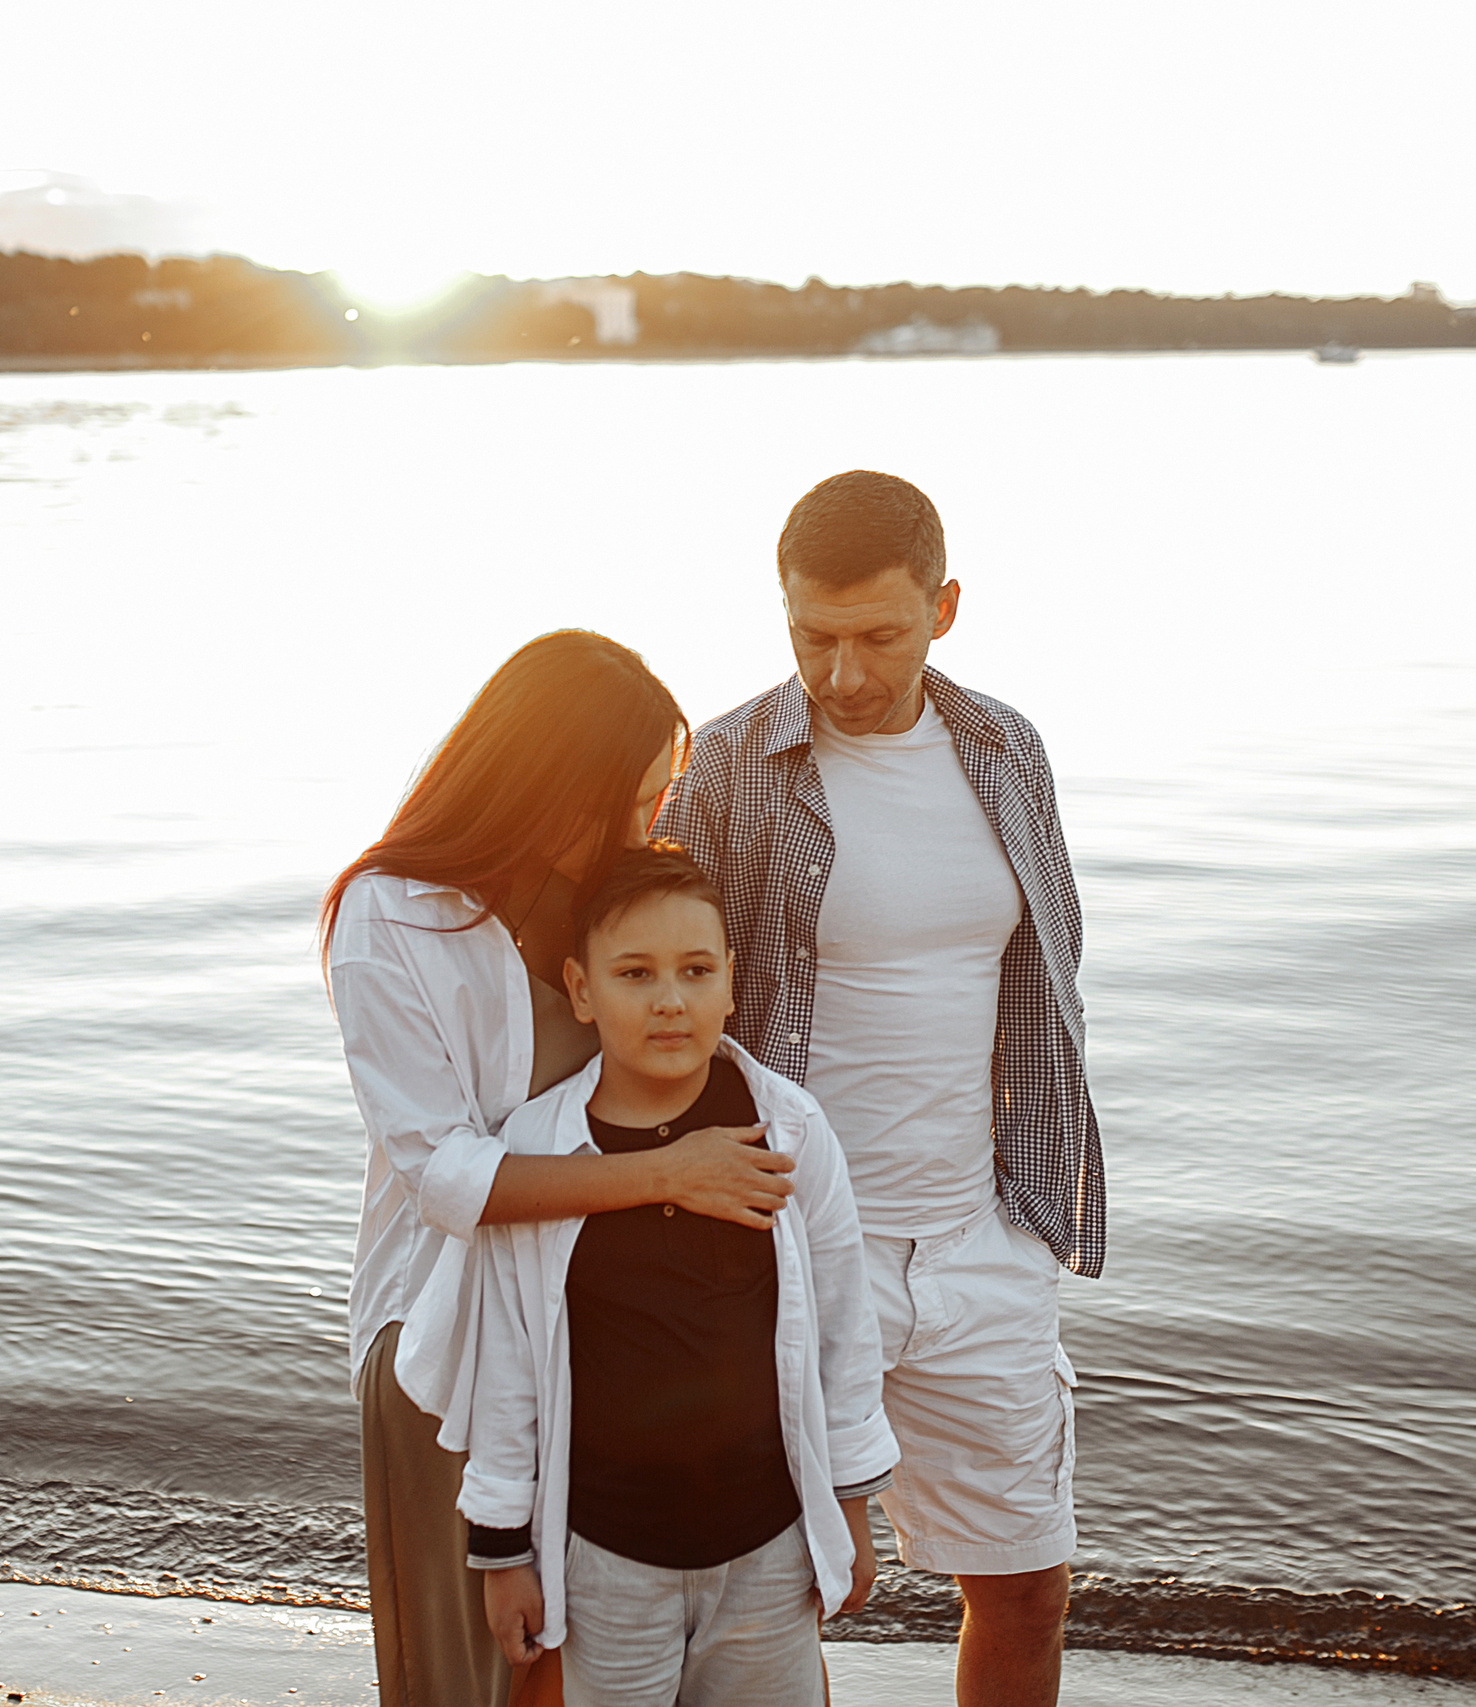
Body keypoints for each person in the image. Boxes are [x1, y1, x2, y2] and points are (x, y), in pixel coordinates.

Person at [658, 471, 1106, 1707]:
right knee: (777, 1591)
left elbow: (1049, 978)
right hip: (791, 1244)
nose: (844, 674)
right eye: (814, 636)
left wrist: (1036, 1197)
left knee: (1024, 1585)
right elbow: (659, 989)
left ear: (945, 608)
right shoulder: (732, 763)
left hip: (983, 1239)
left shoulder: (1008, 749)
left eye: (879, 636)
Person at [322, 630, 800, 1707]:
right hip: (450, 1337)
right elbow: (447, 1178)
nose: (651, 828)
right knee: (487, 1675)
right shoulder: (387, 917)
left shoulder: (612, 903)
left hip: (612, 1331)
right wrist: (668, 1176)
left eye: (659, 800)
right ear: (548, 785)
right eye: (629, 803)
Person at [398, 844, 896, 1707]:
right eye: (635, 973)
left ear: (731, 982)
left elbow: (845, 1332)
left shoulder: (787, 1131)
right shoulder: (542, 1152)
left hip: (769, 1553)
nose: (670, 998)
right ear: (582, 989)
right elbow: (513, 1366)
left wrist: (849, 1501)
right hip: (605, 1562)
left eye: (696, 969)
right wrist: (504, 1551)